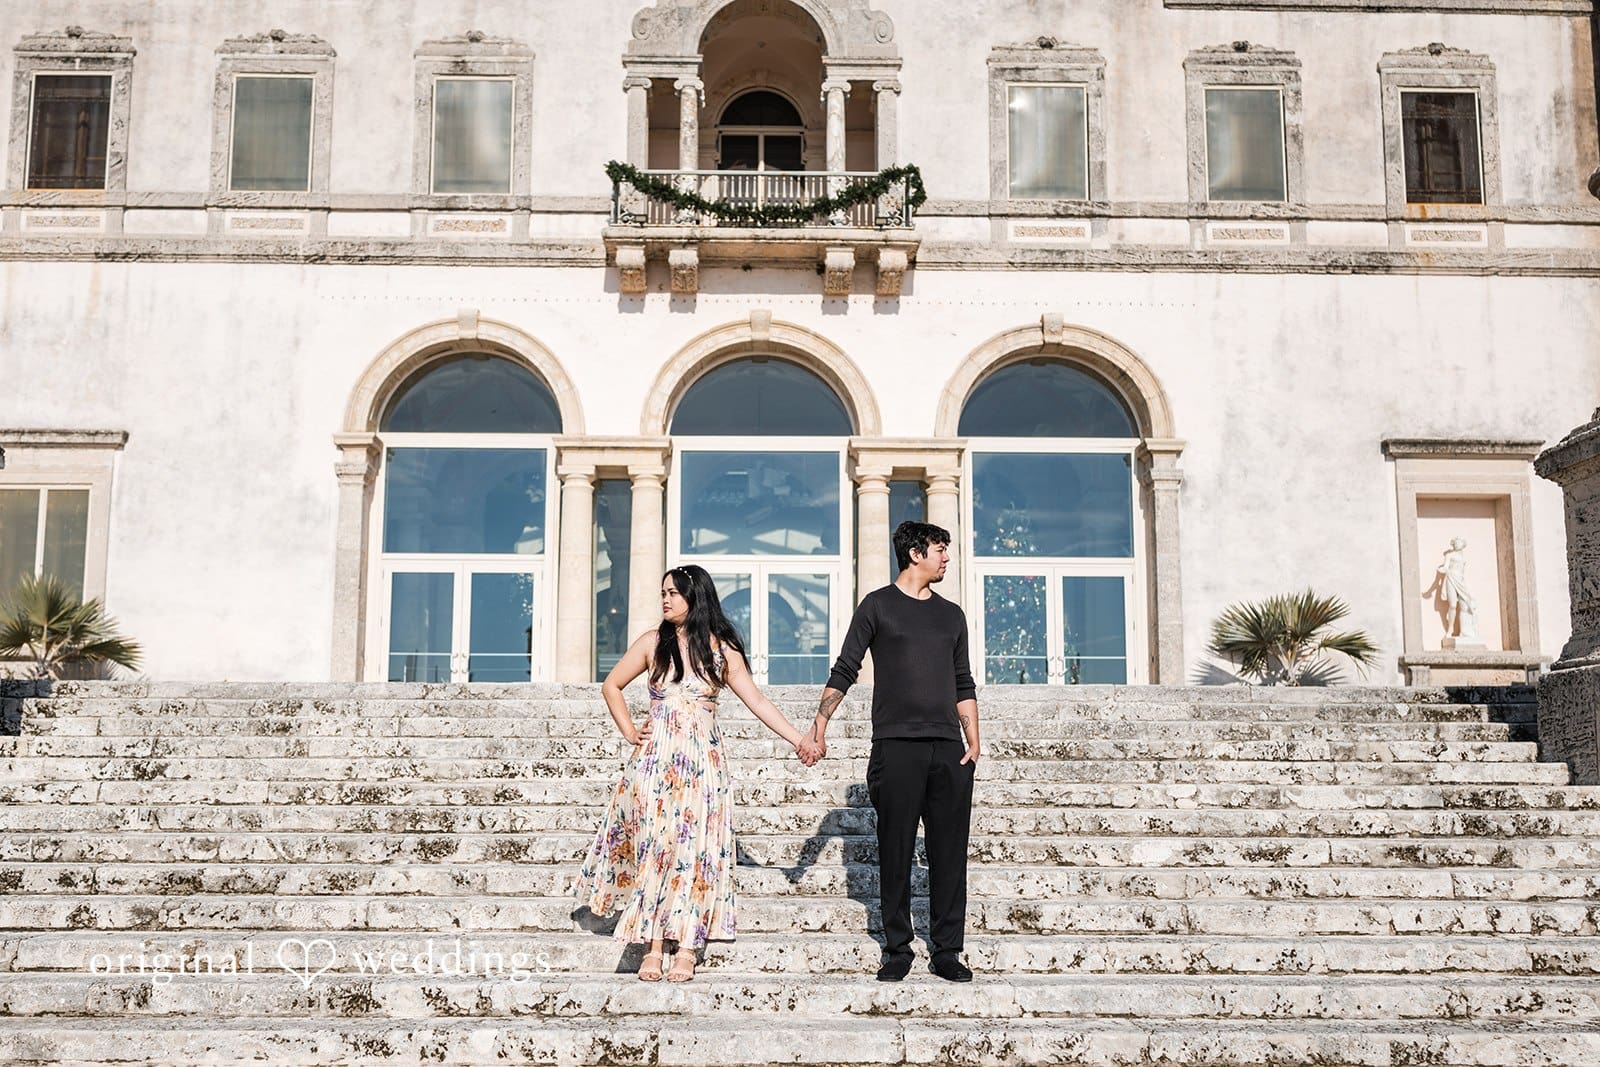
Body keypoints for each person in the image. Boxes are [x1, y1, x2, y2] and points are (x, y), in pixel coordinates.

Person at [572, 564, 810, 983]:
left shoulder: (722, 649)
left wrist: (799, 739)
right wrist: (631, 731)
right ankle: (653, 944)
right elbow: (611, 685)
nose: (665, 599)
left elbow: (758, 702)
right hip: (655, 762)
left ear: (694, 597)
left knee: (695, 851)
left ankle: (686, 945)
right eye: (662, 591)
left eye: (673, 593)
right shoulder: (652, 643)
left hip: (701, 762)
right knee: (657, 848)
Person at [800, 521, 981, 983]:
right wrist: (819, 724)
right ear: (916, 553)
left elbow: (963, 680)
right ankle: (897, 947)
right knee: (896, 850)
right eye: (941, 550)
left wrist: (973, 737)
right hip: (895, 746)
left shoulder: (952, 615)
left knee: (949, 853)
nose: (946, 558)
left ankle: (947, 950)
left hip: (948, 749)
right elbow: (846, 668)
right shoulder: (877, 606)